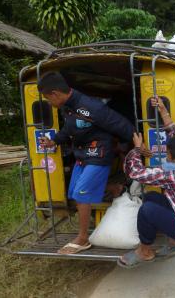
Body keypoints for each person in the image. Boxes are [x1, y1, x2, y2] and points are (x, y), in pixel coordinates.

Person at [37, 71, 135, 254]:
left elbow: (121, 124)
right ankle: (114, 188)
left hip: (99, 153)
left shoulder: (91, 106)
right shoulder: (66, 107)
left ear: (55, 94)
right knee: (74, 192)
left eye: (47, 99)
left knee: (82, 195)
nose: (49, 103)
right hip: (82, 155)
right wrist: (54, 141)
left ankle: (83, 239)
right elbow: (68, 129)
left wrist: (137, 143)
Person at [118, 96, 175, 268]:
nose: (165, 155)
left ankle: (145, 252)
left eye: (167, 154)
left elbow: (134, 172)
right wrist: (162, 109)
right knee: (151, 196)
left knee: (147, 210)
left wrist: (137, 149)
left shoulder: (172, 173)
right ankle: (172, 237)